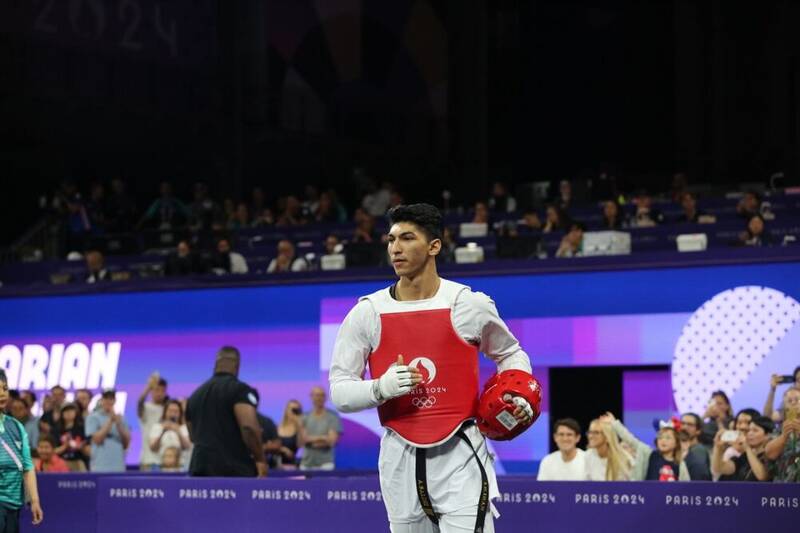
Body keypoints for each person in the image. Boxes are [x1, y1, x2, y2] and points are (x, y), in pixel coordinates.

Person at [329, 203, 536, 532]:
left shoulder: (468, 304)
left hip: (460, 453)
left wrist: (517, 391)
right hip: (398, 458)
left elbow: (510, 352)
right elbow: (340, 391)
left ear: (434, 246)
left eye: (407, 238)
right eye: (391, 239)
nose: (395, 248)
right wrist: (380, 387)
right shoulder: (366, 313)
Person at [185, 347, 266, 477]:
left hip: (200, 470)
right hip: (233, 471)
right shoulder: (240, 390)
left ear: (215, 365)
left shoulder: (195, 395)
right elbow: (249, 427)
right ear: (237, 366)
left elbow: (192, 435)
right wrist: (260, 459)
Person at [0, 370, 44, 530]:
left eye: (5, 388)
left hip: (14, 504)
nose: (2, 393)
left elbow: (27, 466)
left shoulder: (16, 426)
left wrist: (34, 501)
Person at [600, 413, 690, 481]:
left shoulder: (680, 465)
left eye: (668, 438)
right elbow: (630, 439)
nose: (663, 440)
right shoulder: (649, 454)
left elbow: (686, 488)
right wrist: (614, 423)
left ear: (676, 443)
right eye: (660, 437)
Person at [712, 416, 774, 482]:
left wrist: (747, 448)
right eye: (748, 430)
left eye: (755, 430)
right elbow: (719, 468)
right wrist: (718, 447)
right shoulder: (744, 457)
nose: (750, 433)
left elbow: (762, 476)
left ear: (767, 435)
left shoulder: (771, 455)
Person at [86, 390, 130, 472]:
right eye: (106, 398)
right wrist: (110, 421)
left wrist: (118, 424)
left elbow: (126, 444)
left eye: (111, 399)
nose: (108, 401)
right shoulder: (93, 417)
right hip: (100, 464)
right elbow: (97, 440)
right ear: (102, 400)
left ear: (115, 400)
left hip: (118, 464)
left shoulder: (121, 419)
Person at [299, 387, 342, 471]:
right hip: (306, 463)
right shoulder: (305, 417)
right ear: (311, 397)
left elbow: (332, 441)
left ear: (325, 398)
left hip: (326, 463)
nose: (319, 398)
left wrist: (311, 440)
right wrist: (323, 438)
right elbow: (303, 440)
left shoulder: (332, 417)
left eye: (322, 395)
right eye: (317, 395)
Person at [764, 388, 800, 483]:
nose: (793, 403)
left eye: (797, 400)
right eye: (789, 401)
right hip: (782, 486)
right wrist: (784, 437)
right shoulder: (778, 430)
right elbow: (770, 454)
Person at [148, 400, 192, 470]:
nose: (173, 414)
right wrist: (162, 432)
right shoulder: (157, 427)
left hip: (179, 467)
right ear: (165, 412)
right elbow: (152, 447)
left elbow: (187, 446)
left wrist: (178, 432)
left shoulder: (183, 428)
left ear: (180, 413)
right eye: (170, 411)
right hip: (160, 467)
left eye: (176, 411)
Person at [138, 373, 169, 470]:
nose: (159, 393)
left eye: (163, 391)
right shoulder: (146, 407)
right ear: (151, 391)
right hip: (148, 460)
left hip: (166, 461)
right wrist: (149, 386)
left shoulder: (168, 409)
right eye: (157, 390)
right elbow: (140, 402)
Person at [53, 403, 88, 472]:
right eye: (66, 411)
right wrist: (65, 446)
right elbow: (53, 451)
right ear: (62, 414)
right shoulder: (56, 430)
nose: (69, 413)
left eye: (71, 410)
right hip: (61, 462)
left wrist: (81, 446)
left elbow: (87, 448)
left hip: (78, 461)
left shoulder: (82, 428)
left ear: (76, 413)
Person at [679, 412, 711, 480]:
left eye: (690, 425)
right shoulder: (679, 450)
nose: (684, 427)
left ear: (698, 431)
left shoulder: (698, 451)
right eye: (682, 423)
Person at [276, 400, 303, 468]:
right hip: (276, 463)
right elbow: (271, 444)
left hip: (291, 465)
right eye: (292, 409)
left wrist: (299, 425)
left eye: (296, 410)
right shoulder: (278, 427)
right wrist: (283, 449)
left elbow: (300, 445)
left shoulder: (299, 428)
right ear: (286, 410)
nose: (293, 412)